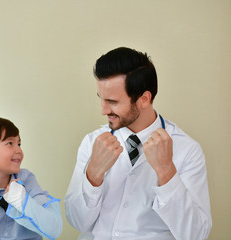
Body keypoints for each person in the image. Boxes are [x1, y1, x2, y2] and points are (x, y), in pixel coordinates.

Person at [64, 47, 212, 240]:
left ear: (144, 99)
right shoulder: (92, 142)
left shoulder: (187, 150)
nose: (103, 110)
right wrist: (93, 175)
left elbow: (196, 235)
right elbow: (77, 222)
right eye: (101, 99)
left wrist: (167, 173)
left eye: (113, 101)